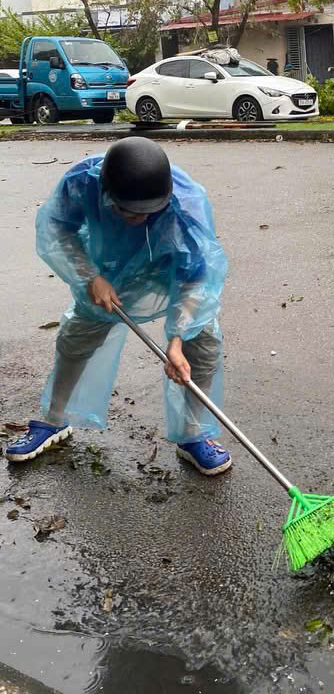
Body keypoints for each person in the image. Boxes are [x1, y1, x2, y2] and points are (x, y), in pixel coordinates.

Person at [4, 137, 232, 475]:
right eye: (127, 210)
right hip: (108, 270)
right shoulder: (82, 182)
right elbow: (58, 230)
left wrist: (178, 339)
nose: (138, 218)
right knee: (77, 336)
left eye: (148, 212)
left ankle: (194, 435)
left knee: (203, 344)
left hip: (170, 269)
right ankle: (54, 419)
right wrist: (89, 276)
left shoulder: (187, 205)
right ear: (108, 192)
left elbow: (195, 279)